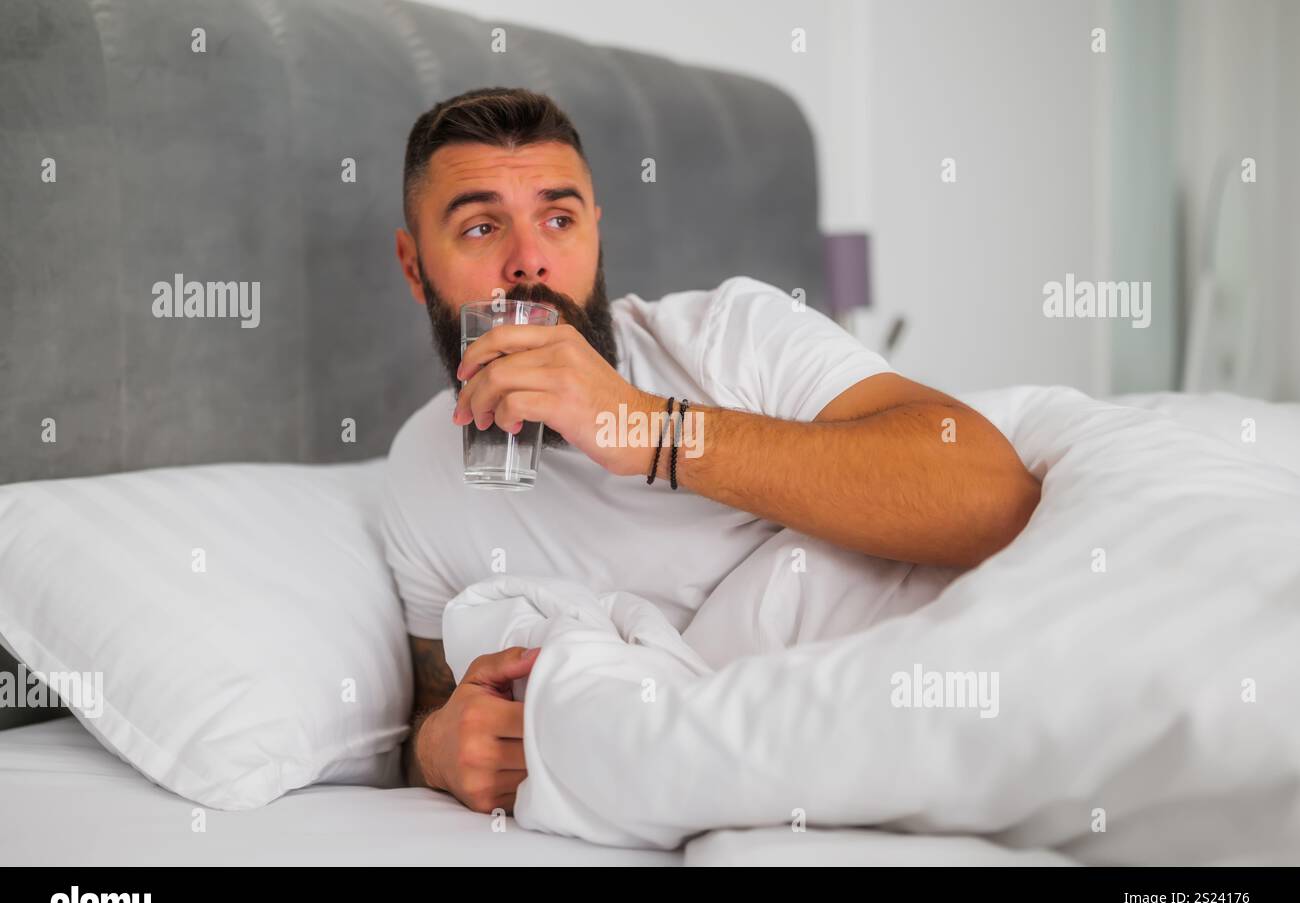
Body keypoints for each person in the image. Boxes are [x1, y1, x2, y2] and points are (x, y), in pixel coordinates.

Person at [383, 87, 1040, 815]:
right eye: (480, 228)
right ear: (415, 267)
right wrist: (434, 753)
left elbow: (991, 498)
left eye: (559, 219)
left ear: (597, 233)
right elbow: (434, 706)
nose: (529, 262)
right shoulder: (421, 469)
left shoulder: (732, 335)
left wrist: (649, 429)